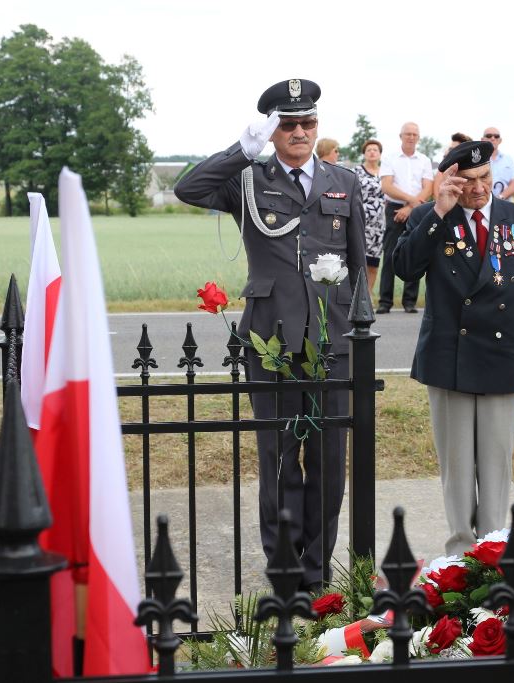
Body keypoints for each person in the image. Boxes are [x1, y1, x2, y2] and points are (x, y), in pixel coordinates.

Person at [173, 79, 364, 592]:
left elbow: (359, 262)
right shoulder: (248, 180)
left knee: (329, 458)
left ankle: (318, 565)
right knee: (279, 455)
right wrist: (242, 150)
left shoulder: (342, 180)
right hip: (270, 337)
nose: (299, 131)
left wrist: (359, 329)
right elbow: (187, 189)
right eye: (288, 123)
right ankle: (282, 563)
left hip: (332, 339)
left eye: (308, 123)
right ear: (272, 129)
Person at [394, 140, 514, 556]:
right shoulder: (432, 216)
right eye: (468, 181)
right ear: (452, 181)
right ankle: (462, 553)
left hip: (503, 358)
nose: (479, 189)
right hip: (451, 359)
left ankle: (493, 549)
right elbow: (404, 267)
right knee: (458, 466)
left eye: (484, 178)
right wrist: (440, 210)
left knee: (497, 465)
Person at [377, 122, 432, 314]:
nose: (411, 137)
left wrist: (410, 208)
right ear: (400, 136)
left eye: (414, 134)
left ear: (418, 137)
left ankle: (410, 301)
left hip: (417, 209)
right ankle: (385, 301)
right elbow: (387, 186)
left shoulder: (424, 160)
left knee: (415, 252)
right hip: (394, 209)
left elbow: (428, 187)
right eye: (407, 134)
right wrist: (410, 202)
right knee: (391, 253)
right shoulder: (390, 158)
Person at [354, 139, 386, 295]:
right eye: (369, 150)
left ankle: (367, 297)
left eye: (375, 150)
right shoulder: (356, 172)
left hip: (379, 225)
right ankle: (356, 297)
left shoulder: (386, 173)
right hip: (361, 222)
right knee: (359, 261)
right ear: (364, 154)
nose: (372, 152)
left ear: (380, 154)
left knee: (373, 264)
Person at [481, 127, 514, 200]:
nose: (493, 138)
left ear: (500, 140)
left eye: (496, 136)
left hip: (504, 204)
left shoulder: (508, 159)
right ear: (482, 140)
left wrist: (500, 198)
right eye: (489, 136)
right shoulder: (477, 160)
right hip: (482, 205)